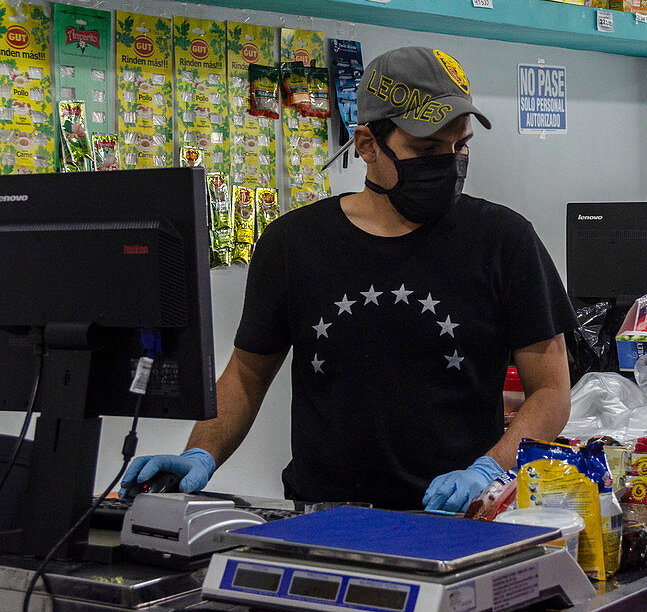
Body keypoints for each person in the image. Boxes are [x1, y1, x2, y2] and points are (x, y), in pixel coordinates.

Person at [123, 46, 576, 512]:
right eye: (425, 150)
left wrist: (488, 470)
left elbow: (551, 393)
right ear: (366, 145)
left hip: (462, 518)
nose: (448, 164)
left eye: (459, 147)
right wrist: (201, 451)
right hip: (321, 518)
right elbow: (246, 374)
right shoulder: (294, 243)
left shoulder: (505, 240)